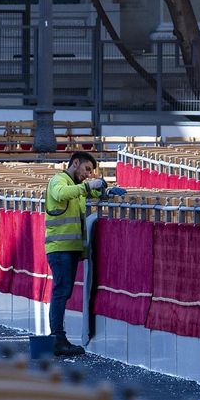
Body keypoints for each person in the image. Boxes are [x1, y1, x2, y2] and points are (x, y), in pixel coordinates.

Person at [42, 151, 125, 357]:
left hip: (67, 248)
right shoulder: (59, 180)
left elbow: (87, 193)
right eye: (87, 169)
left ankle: (57, 339)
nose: (88, 174)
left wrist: (106, 192)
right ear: (75, 163)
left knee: (62, 292)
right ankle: (57, 339)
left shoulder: (75, 185)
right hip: (60, 248)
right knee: (61, 292)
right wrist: (89, 186)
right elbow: (63, 193)